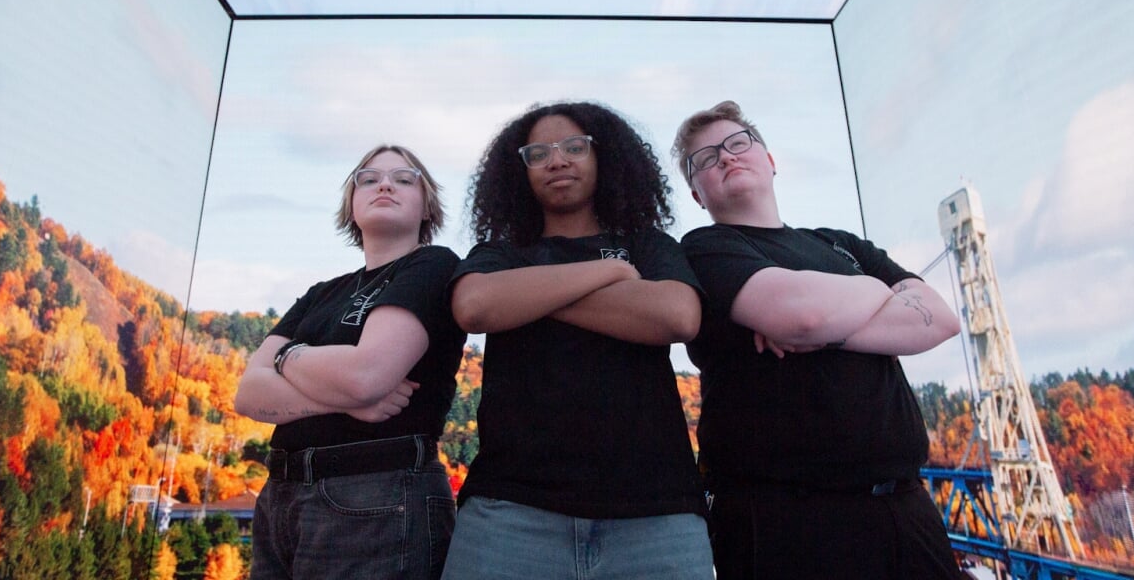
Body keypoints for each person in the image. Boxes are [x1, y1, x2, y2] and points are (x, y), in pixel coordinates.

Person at [672, 101, 964, 580]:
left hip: (908, 514)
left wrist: (827, 332)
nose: (725, 156)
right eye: (704, 158)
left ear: (770, 160)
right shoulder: (704, 250)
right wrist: (878, 292)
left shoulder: (841, 243)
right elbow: (803, 316)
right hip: (786, 523)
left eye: (738, 142)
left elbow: (939, 320)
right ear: (696, 194)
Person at [440, 101, 713, 580]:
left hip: (656, 517)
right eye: (538, 153)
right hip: (509, 516)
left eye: (574, 147)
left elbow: (676, 316)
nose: (557, 160)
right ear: (520, 171)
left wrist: (527, 296)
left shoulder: (647, 245)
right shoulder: (501, 252)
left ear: (603, 156)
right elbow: (475, 306)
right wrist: (611, 273)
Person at [234, 144, 466, 580]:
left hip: (377, 492)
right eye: (368, 179)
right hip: (279, 495)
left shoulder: (433, 266)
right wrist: (341, 400)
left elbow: (365, 376)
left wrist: (286, 356)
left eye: (403, 179)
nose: (384, 185)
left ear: (426, 207)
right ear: (351, 205)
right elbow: (248, 395)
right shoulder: (322, 293)